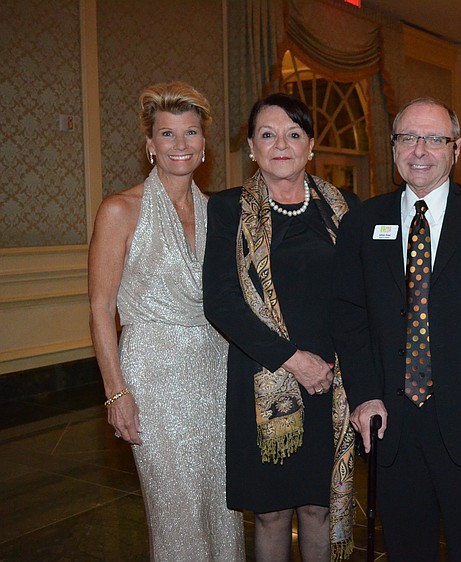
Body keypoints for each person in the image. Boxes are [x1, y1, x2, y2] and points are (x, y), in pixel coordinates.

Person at [332, 97, 461, 561]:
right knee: (405, 549)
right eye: (408, 138)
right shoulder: (363, 223)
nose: (420, 150)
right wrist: (363, 396)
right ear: (394, 147)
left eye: (434, 139)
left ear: (456, 149)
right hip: (392, 425)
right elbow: (349, 319)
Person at [88, 82, 245, 561]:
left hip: (215, 369)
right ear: (150, 145)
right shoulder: (120, 210)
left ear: (204, 143)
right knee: (175, 511)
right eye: (168, 134)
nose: (181, 145)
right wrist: (117, 393)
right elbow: (99, 307)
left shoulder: (219, 212)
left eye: (191, 133)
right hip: (154, 372)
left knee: (224, 505)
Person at [203, 93, 359, 562]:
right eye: (267, 135)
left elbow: (359, 296)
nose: (281, 145)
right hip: (261, 377)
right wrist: (294, 361)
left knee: (318, 507)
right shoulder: (228, 209)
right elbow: (222, 303)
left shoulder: (343, 207)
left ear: (311, 145)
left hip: (333, 380)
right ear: (251, 147)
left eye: (294, 134)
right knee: (271, 513)